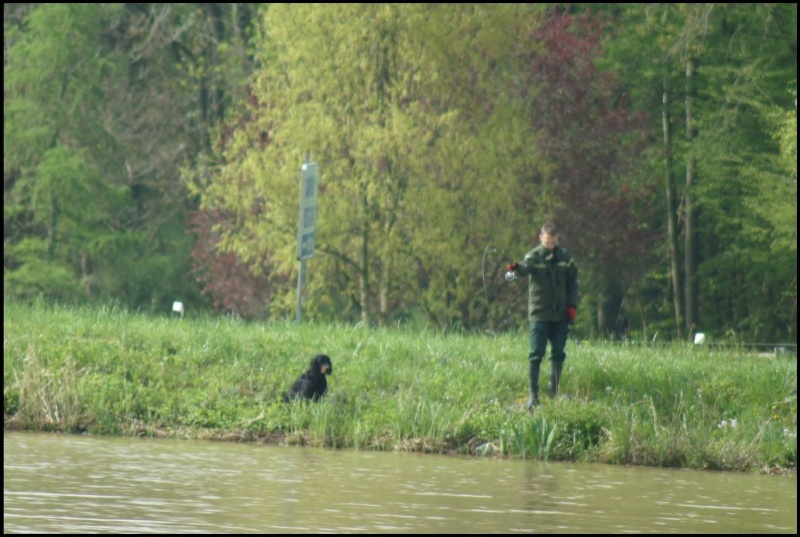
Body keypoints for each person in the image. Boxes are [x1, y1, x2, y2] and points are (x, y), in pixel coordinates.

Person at [507, 222, 578, 410]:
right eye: (547, 242)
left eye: (552, 243)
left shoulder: (565, 258)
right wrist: (515, 268)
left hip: (561, 315)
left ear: (557, 240)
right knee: (536, 354)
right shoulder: (533, 256)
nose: (549, 246)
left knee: (558, 354)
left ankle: (554, 393)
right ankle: (533, 396)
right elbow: (524, 268)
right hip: (539, 315)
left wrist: (572, 305)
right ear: (541, 238)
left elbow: (573, 282)